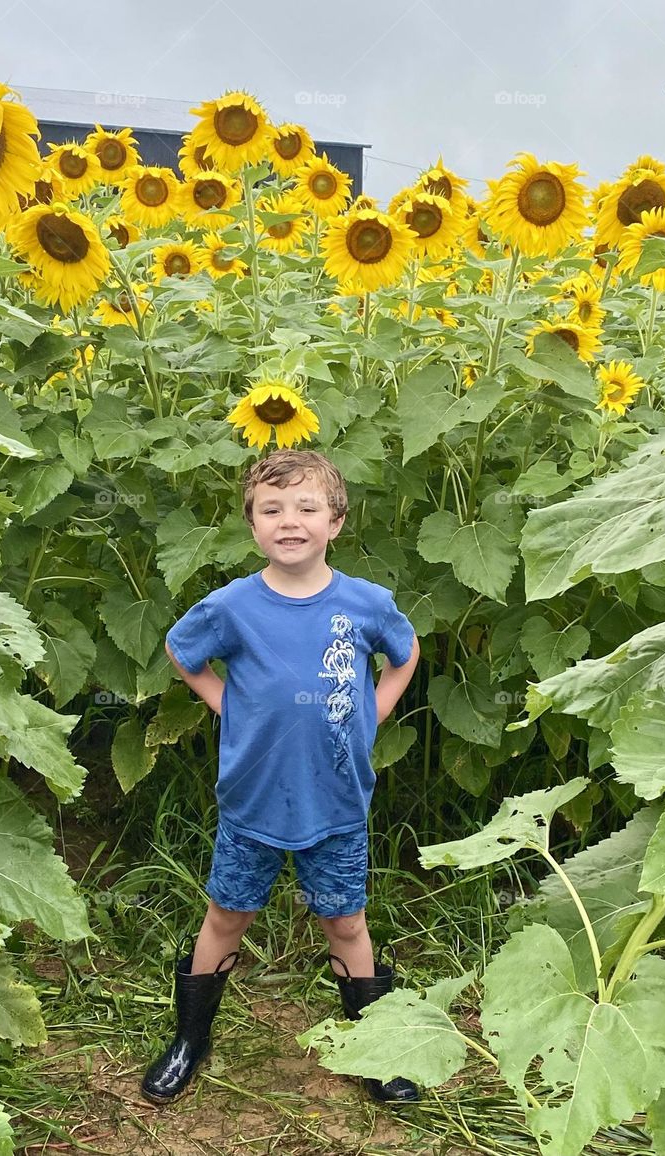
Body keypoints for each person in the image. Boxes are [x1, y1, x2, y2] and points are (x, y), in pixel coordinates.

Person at [141, 448, 421, 1106]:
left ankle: (374, 1048)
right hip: (254, 799)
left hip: (336, 799)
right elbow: (182, 651)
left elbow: (404, 656)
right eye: (271, 509)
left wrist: (373, 713)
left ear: (336, 522)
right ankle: (190, 1041)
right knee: (227, 914)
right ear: (253, 524)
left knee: (347, 924)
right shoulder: (233, 606)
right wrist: (224, 702)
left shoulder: (365, 603)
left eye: (306, 508)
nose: (288, 521)